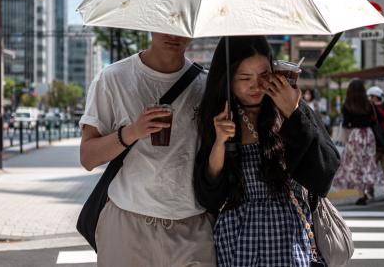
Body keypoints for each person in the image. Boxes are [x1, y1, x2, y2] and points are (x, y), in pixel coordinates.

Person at [194, 36, 340, 266]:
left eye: (264, 76)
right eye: (244, 78)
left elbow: (323, 177)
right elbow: (209, 196)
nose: (255, 85)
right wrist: (220, 142)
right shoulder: (220, 115)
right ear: (227, 78)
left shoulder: (291, 107)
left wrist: (293, 113)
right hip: (238, 242)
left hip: (290, 239)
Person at [79, 33, 215, 267]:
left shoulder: (207, 85)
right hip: (128, 225)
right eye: (165, 23)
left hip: (193, 228)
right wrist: (131, 132)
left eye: (181, 24)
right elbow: (88, 157)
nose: (174, 34)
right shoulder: (113, 78)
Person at [331, 79, 384, 205]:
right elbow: (375, 121)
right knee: (368, 163)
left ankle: (362, 193)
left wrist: (341, 142)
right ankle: (368, 189)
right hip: (368, 135)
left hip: (355, 136)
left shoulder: (347, 105)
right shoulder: (369, 104)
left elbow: (346, 125)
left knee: (356, 166)